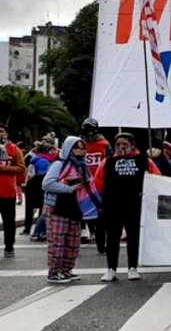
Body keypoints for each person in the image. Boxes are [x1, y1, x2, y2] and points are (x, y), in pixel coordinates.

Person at [94, 133, 160, 282]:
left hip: (135, 204)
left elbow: (157, 178)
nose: (121, 147)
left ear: (132, 145)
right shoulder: (107, 162)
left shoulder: (144, 160)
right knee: (112, 237)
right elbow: (98, 184)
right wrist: (98, 203)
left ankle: (132, 268)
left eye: (125, 144)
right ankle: (111, 269)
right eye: (118, 144)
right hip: (112, 205)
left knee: (133, 237)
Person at [42, 137, 90, 283]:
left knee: (73, 242)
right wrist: (69, 188)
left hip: (75, 208)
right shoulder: (59, 164)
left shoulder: (82, 166)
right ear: (68, 148)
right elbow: (47, 184)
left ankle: (66, 270)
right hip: (57, 207)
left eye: (82, 148)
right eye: (76, 148)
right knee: (57, 241)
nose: (80, 151)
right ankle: (54, 273)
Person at [80, 118, 110, 253]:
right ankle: (85, 232)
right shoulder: (80, 145)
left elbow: (110, 162)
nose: (89, 135)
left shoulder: (104, 145)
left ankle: (101, 244)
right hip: (84, 184)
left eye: (91, 131)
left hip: (100, 185)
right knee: (83, 212)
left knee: (101, 216)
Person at [0, 123, 27, 258]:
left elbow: (21, 168)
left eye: (2, 132)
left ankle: (9, 247)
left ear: (6, 134)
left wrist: (4, 169)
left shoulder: (14, 149)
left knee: (9, 222)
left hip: (7, 193)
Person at [24, 136, 57, 240]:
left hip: (34, 183)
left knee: (39, 209)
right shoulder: (49, 159)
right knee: (43, 210)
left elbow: (29, 169)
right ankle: (38, 232)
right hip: (42, 184)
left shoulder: (34, 158)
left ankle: (35, 231)